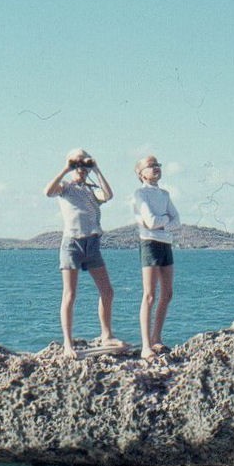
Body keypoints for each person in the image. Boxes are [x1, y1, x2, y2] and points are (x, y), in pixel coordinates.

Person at [44, 148, 125, 359]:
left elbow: (108, 195)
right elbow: (48, 191)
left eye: (83, 164)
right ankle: (68, 343)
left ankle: (106, 335)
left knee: (107, 291)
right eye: (77, 164)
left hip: (92, 243)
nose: (80, 168)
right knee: (69, 294)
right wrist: (66, 168)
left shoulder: (90, 190)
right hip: (72, 244)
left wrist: (96, 169)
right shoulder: (65, 187)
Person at [133, 155, 181, 362]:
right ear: (141, 173)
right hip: (150, 243)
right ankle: (145, 345)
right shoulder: (139, 194)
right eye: (150, 166)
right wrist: (165, 221)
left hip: (165, 244)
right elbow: (150, 222)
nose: (155, 168)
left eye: (157, 165)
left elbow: (177, 221)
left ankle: (156, 338)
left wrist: (162, 222)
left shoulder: (164, 194)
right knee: (150, 295)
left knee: (167, 293)